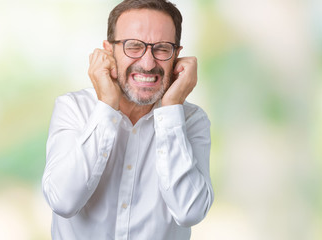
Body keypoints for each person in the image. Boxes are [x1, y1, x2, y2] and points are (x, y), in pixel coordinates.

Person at [41, 0, 214, 239]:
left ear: (177, 56)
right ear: (108, 51)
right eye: (133, 46)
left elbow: (190, 212)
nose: (148, 63)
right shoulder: (73, 108)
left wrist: (172, 107)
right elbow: (63, 201)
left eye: (162, 48)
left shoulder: (192, 121)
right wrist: (106, 107)